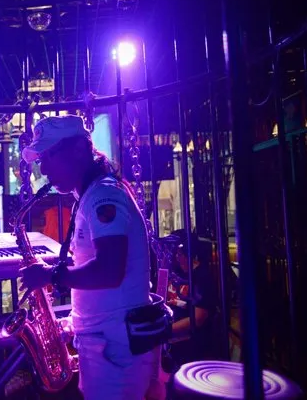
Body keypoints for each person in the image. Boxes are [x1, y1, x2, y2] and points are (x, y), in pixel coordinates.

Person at [18, 115, 156, 399]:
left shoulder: (104, 195)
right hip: (106, 345)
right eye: (40, 158)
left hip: (115, 350)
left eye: (48, 156)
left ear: (79, 149)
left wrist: (51, 275)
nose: (42, 168)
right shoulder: (92, 195)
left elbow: (109, 271)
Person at [165, 229, 218, 366]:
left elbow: (198, 318)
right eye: (175, 252)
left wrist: (165, 331)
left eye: (179, 252)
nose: (176, 257)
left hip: (190, 344)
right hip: (171, 340)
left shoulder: (202, 277)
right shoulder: (175, 272)